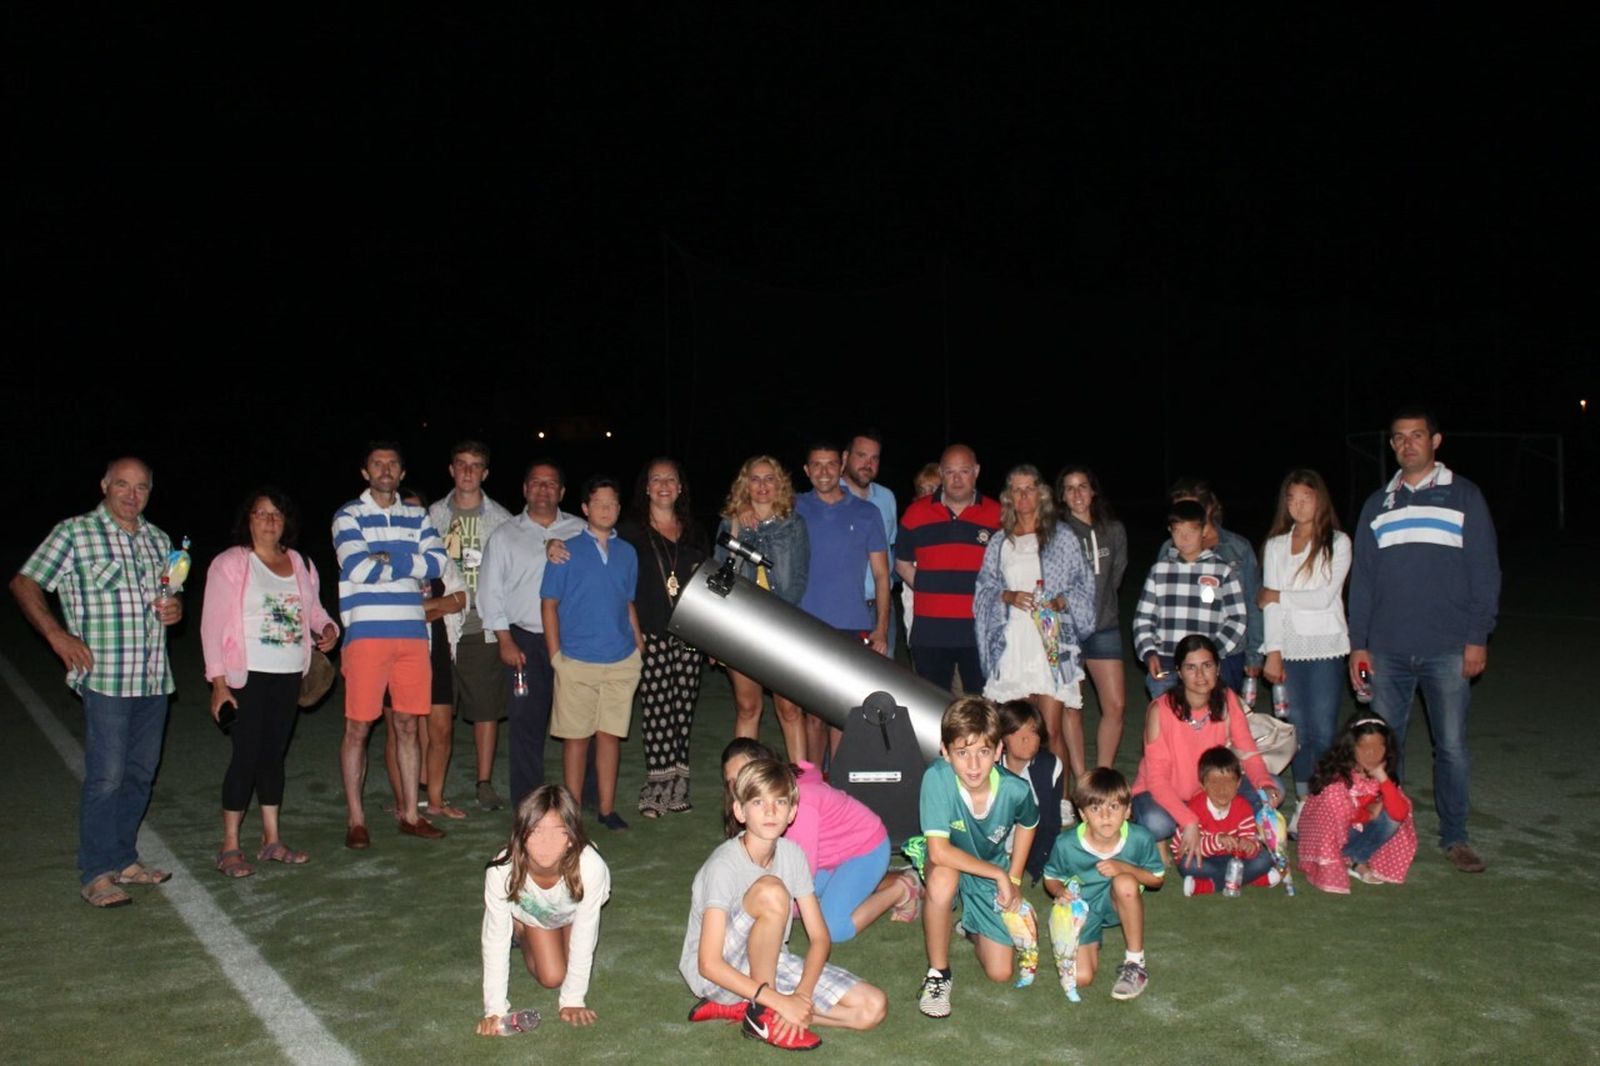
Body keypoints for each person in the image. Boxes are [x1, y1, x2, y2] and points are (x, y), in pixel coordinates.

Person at [11, 457, 184, 907]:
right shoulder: (75, 533)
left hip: (153, 677)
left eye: (141, 487)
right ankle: (96, 872)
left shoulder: (159, 539)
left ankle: (124, 859)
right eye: (122, 484)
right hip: (106, 676)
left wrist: (175, 608)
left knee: (140, 775)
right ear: (105, 485)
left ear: (150, 491)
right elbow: (25, 583)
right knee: (107, 777)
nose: (132, 494)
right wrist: (56, 635)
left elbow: (170, 594)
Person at [1348, 407, 1500, 874]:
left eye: (1416, 435)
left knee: (1450, 746)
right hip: (1387, 649)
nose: (1407, 444)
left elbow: (1485, 571)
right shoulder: (1378, 504)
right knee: (1383, 749)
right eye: (1399, 437)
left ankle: (1455, 837)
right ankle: (1388, 834)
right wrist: (1358, 644)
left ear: (1436, 441)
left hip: (1447, 648)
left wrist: (1477, 637)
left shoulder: (1464, 495)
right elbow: (1363, 581)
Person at [680, 758, 888, 1051]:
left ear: (792, 812)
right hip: (716, 976)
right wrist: (778, 1000)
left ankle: (751, 1007)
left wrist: (801, 996)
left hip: (768, 961)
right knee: (772, 891)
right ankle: (764, 1012)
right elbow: (708, 963)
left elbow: (820, 937)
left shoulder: (792, 855)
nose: (770, 811)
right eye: (758, 802)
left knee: (872, 1008)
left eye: (779, 802)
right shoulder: (723, 865)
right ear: (739, 811)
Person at [200, 488, 340, 878]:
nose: (269, 520)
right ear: (248, 519)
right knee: (246, 755)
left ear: (286, 521)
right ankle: (229, 846)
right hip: (245, 676)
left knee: (273, 755)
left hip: (288, 673)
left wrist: (329, 628)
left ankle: (272, 840)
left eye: (276, 513)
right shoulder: (231, 563)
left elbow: (314, 611)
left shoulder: (300, 562)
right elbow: (211, 626)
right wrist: (219, 683)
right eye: (260, 513)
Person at [331, 443, 451, 849]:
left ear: (402, 472)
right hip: (367, 633)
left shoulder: (417, 515)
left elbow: (437, 563)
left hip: (413, 633)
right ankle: (356, 820)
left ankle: (411, 815)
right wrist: (406, 558)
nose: (385, 469)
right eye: (377, 463)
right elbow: (356, 566)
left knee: (407, 725)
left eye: (393, 464)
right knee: (359, 727)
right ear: (365, 472)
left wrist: (385, 557)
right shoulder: (348, 515)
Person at [720, 739, 920, 942]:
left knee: (831, 928)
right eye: (732, 782)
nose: (740, 786)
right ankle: (869, 880)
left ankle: (903, 889)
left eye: (746, 773)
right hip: (830, 858)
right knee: (776, 892)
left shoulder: (798, 804)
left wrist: (776, 907)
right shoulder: (762, 803)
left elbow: (802, 877)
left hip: (866, 849)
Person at [915, 696, 1038, 1018]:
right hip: (948, 860)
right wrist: (1002, 876)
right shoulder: (937, 778)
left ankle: (970, 927)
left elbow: (1029, 823)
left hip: (989, 867)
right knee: (943, 879)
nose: (973, 765)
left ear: (998, 751)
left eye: (983, 752)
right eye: (962, 753)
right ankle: (938, 974)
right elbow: (939, 851)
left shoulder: (1015, 789)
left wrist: (1014, 878)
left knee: (1001, 972)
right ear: (945, 752)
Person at [973, 463, 1095, 779]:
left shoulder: (1061, 537)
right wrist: (1008, 595)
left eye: (1029, 489)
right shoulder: (1000, 542)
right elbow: (983, 589)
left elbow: (1083, 585)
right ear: (1008, 496)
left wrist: (1060, 601)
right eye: (1017, 490)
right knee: (1019, 730)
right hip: (1014, 639)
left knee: (1050, 731)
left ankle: (1059, 798)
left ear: (1041, 494)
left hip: (1050, 634)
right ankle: (1020, 795)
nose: (1024, 496)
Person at [478, 460, 585, 808]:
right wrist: (504, 639)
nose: (543, 489)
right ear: (525, 489)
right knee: (526, 724)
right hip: (523, 639)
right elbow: (490, 591)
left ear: (562, 492)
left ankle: (587, 797)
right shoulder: (505, 535)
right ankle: (528, 803)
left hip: (573, 640)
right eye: (536, 483)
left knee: (582, 722)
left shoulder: (581, 529)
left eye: (551, 483)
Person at [541, 476, 643, 832]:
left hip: (620, 658)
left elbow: (627, 601)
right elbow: (549, 604)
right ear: (585, 508)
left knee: (610, 736)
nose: (606, 509)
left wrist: (638, 645)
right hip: (577, 659)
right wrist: (556, 656)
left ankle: (607, 809)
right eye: (599, 503)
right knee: (576, 739)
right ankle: (572, 816)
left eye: (612, 503)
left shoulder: (627, 553)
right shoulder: (564, 551)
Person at [1130, 635, 1282, 860]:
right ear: (1179, 672)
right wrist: (1189, 821)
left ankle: (1213, 826)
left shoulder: (1227, 699)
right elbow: (1157, 780)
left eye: (1207, 665)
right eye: (1191, 667)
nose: (1200, 675)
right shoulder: (1160, 710)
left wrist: (1265, 784)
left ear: (1218, 668)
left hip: (1210, 790)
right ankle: (1179, 830)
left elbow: (1248, 752)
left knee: (1275, 788)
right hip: (1164, 792)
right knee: (1157, 823)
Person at [478, 784, 611, 1034]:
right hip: (535, 914)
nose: (545, 843)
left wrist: (573, 999)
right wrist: (495, 1009)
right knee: (553, 977)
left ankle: (538, 927)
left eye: (558, 832)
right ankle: (520, 928)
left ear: (571, 837)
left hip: (573, 914)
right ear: (521, 834)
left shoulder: (590, 867)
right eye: (536, 830)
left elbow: (586, 932)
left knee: (574, 961)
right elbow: (494, 939)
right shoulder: (501, 870)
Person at [1258, 469, 1351, 823]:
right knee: (1296, 731)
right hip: (1289, 649)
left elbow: (1324, 598)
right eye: (1291, 498)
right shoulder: (1275, 545)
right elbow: (1270, 608)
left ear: (1319, 500)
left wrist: (1277, 595)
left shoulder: (1338, 542)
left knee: (1323, 730)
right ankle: (1302, 802)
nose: (1298, 505)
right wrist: (1273, 651)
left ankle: (1323, 801)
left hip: (1326, 646)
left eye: (1306, 498)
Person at [428, 440, 515, 813]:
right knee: (435, 711)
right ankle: (428, 784)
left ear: (485, 473)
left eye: (475, 465)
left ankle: (484, 783)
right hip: (438, 626)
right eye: (461, 464)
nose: (467, 471)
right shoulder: (431, 516)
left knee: (485, 708)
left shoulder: (502, 519)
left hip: (481, 626)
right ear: (451, 469)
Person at [620, 458, 709, 817]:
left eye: (670, 479)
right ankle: (655, 786)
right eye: (656, 479)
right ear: (646, 487)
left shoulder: (694, 531)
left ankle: (679, 784)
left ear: (680, 487)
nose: (663, 485)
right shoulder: (630, 531)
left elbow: (707, 583)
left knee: (683, 710)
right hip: (650, 631)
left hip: (690, 633)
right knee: (656, 710)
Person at [794, 441, 891, 761]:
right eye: (816, 464)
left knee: (844, 713)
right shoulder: (793, 506)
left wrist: (881, 629)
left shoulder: (867, 512)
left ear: (842, 465)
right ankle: (814, 779)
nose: (824, 471)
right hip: (807, 624)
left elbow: (882, 576)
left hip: (853, 623)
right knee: (813, 715)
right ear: (806, 470)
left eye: (831, 464)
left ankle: (838, 780)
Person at [712, 455, 810, 760]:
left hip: (782, 627)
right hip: (740, 628)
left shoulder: (794, 524)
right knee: (748, 707)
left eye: (769, 479)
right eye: (755, 479)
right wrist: (713, 635)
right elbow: (717, 578)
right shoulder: (731, 523)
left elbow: (799, 579)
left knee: (790, 709)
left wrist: (779, 619)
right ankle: (742, 779)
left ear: (780, 484)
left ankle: (801, 782)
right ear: (745, 484)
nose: (762, 485)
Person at [1041, 768, 1165, 1001]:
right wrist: (1059, 891)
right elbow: (1051, 877)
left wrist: (1124, 868)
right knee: (1081, 978)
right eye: (1096, 808)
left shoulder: (1140, 838)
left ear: (1128, 810)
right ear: (1083, 814)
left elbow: (1157, 878)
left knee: (1125, 882)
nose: (1106, 816)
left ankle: (1136, 963)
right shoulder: (1066, 843)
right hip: (1083, 909)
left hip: (1117, 902)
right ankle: (1088, 937)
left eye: (1114, 807)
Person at [381, 486, 466, 821]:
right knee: (399, 730)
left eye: (418, 512)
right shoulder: (383, 557)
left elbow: (461, 597)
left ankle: (434, 800)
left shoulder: (437, 554)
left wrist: (428, 607)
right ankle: (403, 802)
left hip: (436, 650)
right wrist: (432, 608)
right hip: (396, 651)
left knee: (441, 729)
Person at [897, 444, 1003, 694]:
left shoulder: (998, 515)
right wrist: (929, 587)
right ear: (941, 474)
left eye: (964, 471)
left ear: (976, 471)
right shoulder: (916, 513)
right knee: (932, 707)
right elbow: (901, 563)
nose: (957, 479)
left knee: (982, 707)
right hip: (931, 633)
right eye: (950, 472)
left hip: (980, 633)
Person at [1132, 499, 1248, 699]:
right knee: (1167, 717)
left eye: (1191, 531)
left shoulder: (1222, 571)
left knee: (1208, 716)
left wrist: (1215, 651)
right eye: (1178, 531)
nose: (1184, 538)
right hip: (1167, 662)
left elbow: (1237, 618)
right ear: (1170, 531)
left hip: (1204, 666)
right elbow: (1143, 618)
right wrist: (1149, 652)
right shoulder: (1160, 570)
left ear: (1204, 530)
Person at [1158, 478, 1264, 688]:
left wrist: (1254, 655)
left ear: (1209, 508)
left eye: (1192, 507)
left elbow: (1253, 604)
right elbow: (1158, 604)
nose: (1186, 514)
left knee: (1220, 708)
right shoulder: (1169, 550)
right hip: (1180, 651)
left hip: (1228, 652)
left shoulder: (1237, 548)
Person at [1056, 464, 1129, 768]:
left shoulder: (1114, 530)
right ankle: (1081, 776)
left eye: (1082, 486)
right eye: (1070, 488)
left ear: (1093, 491)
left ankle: (1103, 774)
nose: (1077, 494)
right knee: (1071, 707)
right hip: (1067, 632)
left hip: (1104, 627)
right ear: (1062, 495)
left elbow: (1116, 576)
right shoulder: (1055, 534)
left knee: (1116, 705)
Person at [1295, 717, 1418, 893]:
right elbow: (1338, 817)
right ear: (1351, 747)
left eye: (1379, 748)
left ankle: (1355, 859)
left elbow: (1400, 814)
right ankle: (1345, 859)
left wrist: (1381, 776)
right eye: (1364, 748)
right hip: (1325, 838)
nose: (1372, 754)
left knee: (1393, 815)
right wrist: (1368, 814)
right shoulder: (1338, 775)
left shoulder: (1383, 774)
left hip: (1353, 834)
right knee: (1347, 810)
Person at [1175, 747, 1280, 896]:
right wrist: (1218, 840)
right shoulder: (1194, 808)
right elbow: (1188, 848)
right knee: (1187, 864)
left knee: (1265, 858)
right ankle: (1249, 878)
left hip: (1234, 858)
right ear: (1202, 784)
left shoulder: (1243, 807)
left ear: (1238, 783)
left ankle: (1210, 885)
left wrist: (1249, 845)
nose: (1222, 789)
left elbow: (1250, 837)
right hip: (1204, 858)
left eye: (1229, 782)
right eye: (1214, 782)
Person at [841, 431, 899, 656]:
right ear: (845, 457)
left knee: (881, 675)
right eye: (862, 456)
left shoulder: (886, 498)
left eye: (874, 458)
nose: (868, 464)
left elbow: (889, 549)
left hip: (880, 607)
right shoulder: (829, 496)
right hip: (841, 606)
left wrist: (882, 625)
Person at [997, 699, 1065, 885]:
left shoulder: (1050, 766)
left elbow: (1051, 822)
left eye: (1033, 732)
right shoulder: (988, 766)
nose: (1026, 739)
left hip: (1029, 845)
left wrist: (1041, 858)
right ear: (1003, 737)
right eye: (1016, 732)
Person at [899, 463, 941, 649]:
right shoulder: (910, 521)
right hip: (917, 602)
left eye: (933, 489)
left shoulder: (956, 523)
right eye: (922, 490)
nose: (927, 495)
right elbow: (902, 564)